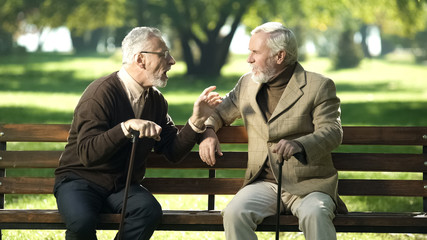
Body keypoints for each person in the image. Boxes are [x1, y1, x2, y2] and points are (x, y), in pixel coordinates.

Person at [54, 26, 222, 240]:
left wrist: (197, 120)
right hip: (79, 181)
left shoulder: (156, 100)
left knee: (148, 211)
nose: (172, 61)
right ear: (141, 60)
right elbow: (88, 154)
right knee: (82, 223)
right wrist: (125, 128)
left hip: (121, 187)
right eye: (164, 54)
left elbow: (172, 151)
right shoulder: (100, 94)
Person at [199, 22, 347, 240]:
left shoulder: (319, 86)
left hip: (309, 185)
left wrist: (299, 145)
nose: (248, 59)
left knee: (315, 214)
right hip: (263, 183)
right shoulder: (247, 83)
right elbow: (218, 113)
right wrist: (209, 131)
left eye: (255, 52)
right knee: (234, 213)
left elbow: (333, 131)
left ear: (280, 56)